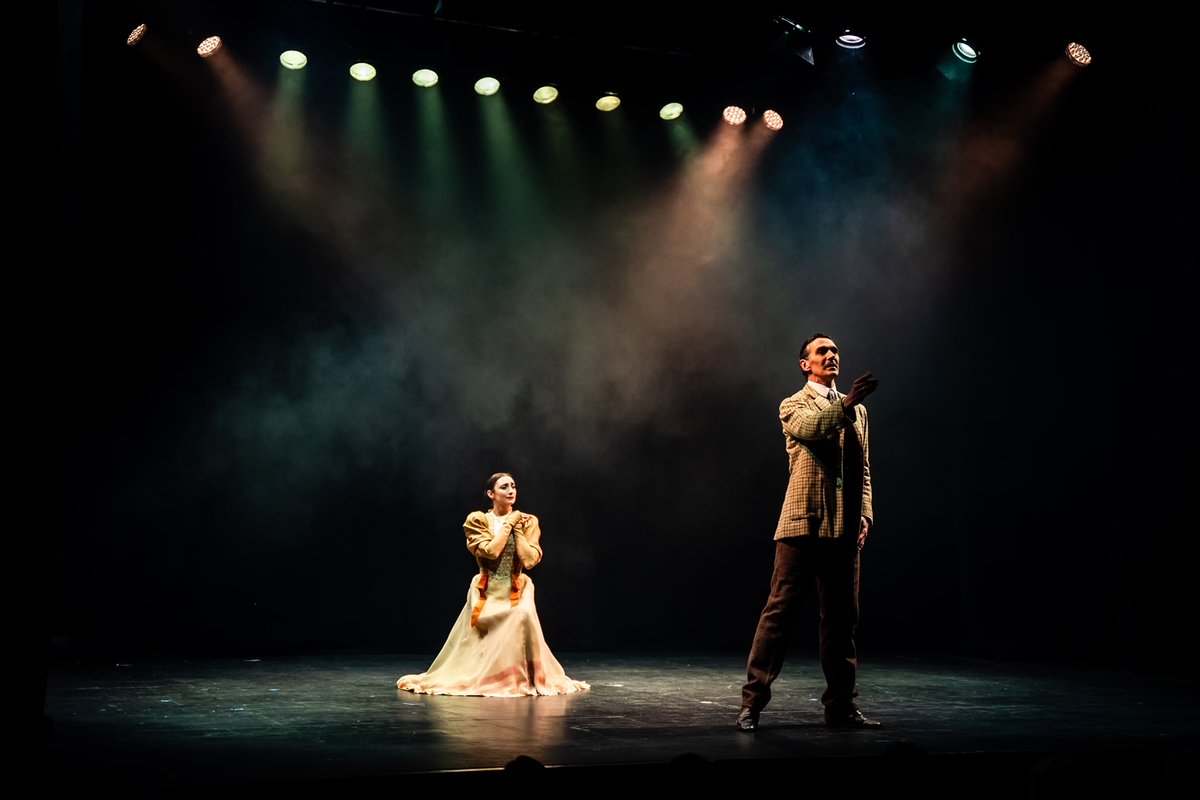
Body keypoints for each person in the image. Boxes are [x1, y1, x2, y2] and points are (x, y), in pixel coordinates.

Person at [736, 333, 881, 731]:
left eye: (835, 350)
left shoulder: (860, 414)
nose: (831, 355)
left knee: (841, 621)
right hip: (803, 523)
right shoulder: (793, 404)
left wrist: (865, 516)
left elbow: (862, 470)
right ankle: (752, 703)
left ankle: (841, 707)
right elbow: (814, 428)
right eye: (822, 351)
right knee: (779, 614)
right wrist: (848, 402)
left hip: (844, 529)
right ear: (806, 364)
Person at [396, 472, 590, 697]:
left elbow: (529, 560)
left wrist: (517, 527)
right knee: (484, 635)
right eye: (504, 487)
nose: (511, 491)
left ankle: (521, 676)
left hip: (516, 586)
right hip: (487, 588)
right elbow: (490, 551)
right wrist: (509, 523)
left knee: (522, 615)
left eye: (513, 486)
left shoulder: (528, 521)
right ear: (491, 494)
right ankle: (489, 676)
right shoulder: (478, 520)